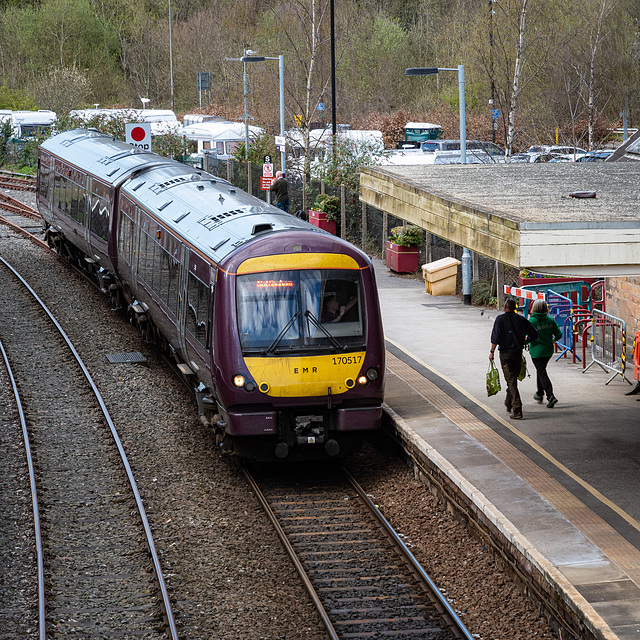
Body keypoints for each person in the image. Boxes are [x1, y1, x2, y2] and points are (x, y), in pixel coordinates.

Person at [489, 298, 538, 420]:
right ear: (515, 308)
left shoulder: (500, 319)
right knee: (512, 379)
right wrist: (526, 340)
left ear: (505, 307)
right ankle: (508, 403)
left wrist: (491, 352)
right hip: (517, 353)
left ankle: (517, 409)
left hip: (505, 354)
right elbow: (534, 334)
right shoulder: (520, 319)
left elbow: (495, 338)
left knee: (511, 381)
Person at [528, 299, 562, 408]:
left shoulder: (532, 321)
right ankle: (539, 393)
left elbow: (527, 337)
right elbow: (559, 334)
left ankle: (550, 396)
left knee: (542, 372)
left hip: (536, 351)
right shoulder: (550, 320)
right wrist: (552, 341)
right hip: (548, 350)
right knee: (541, 370)